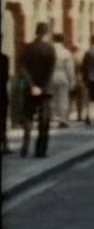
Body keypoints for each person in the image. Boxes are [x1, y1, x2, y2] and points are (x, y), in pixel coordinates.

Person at [20, 22, 56, 158]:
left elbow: (23, 69)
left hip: (30, 89)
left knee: (28, 117)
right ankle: (40, 151)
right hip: (45, 90)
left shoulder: (28, 48)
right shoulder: (49, 49)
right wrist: (42, 87)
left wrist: (32, 85)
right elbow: (50, 71)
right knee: (44, 120)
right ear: (46, 34)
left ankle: (25, 147)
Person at [51, 34, 75, 128]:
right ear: (63, 40)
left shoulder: (50, 51)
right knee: (63, 98)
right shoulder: (66, 52)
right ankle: (62, 119)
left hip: (50, 76)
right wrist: (72, 80)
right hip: (62, 76)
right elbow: (70, 68)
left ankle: (51, 117)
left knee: (52, 98)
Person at [71, 44, 88, 122]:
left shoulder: (71, 57)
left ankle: (68, 115)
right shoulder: (81, 57)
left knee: (71, 99)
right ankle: (80, 115)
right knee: (81, 99)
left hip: (72, 80)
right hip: (81, 80)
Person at [1, 46, 10, 154]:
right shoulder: (4, 59)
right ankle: (4, 144)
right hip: (2, 93)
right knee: (2, 119)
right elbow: (6, 77)